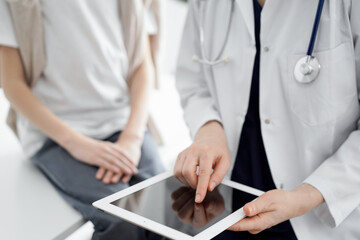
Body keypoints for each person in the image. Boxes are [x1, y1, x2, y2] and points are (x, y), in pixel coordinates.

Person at [174, 0, 360, 239]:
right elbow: (193, 78)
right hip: (231, 208)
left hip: (320, 215)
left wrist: (307, 195)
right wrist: (209, 129)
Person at [0, 0, 164, 239]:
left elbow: (142, 63)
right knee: (120, 222)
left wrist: (132, 136)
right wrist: (77, 144)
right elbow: (12, 83)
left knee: (165, 212)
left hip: (122, 123)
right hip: (53, 136)